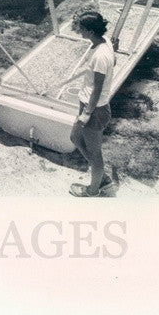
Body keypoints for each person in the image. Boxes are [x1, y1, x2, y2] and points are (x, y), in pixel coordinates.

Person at [69, 10, 117, 197]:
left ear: (90, 31)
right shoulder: (106, 44)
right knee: (75, 137)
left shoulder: (100, 56)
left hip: (95, 110)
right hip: (89, 106)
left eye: (81, 29)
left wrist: (87, 113)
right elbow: (113, 61)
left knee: (95, 154)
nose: (79, 32)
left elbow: (97, 88)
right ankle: (101, 176)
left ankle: (93, 189)